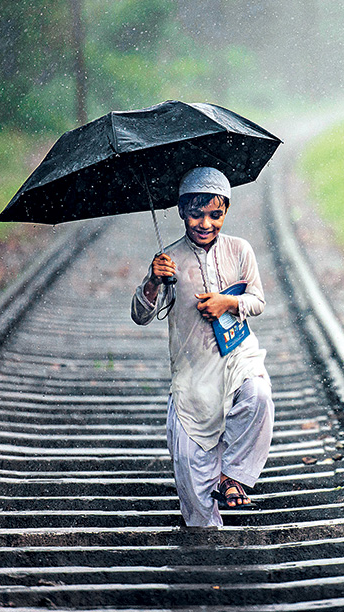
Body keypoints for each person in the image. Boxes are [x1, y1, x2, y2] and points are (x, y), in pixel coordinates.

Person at [131, 166, 274, 527]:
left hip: (237, 356)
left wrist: (228, 304)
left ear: (226, 211)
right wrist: (153, 280)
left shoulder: (240, 250)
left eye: (215, 214)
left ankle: (233, 475)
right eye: (196, 214)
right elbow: (141, 315)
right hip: (193, 369)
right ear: (181, 212)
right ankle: (205, 539)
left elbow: (257, 301)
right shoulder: (169, 259)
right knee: (190, 469)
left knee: (257, 395)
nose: (205, 223)